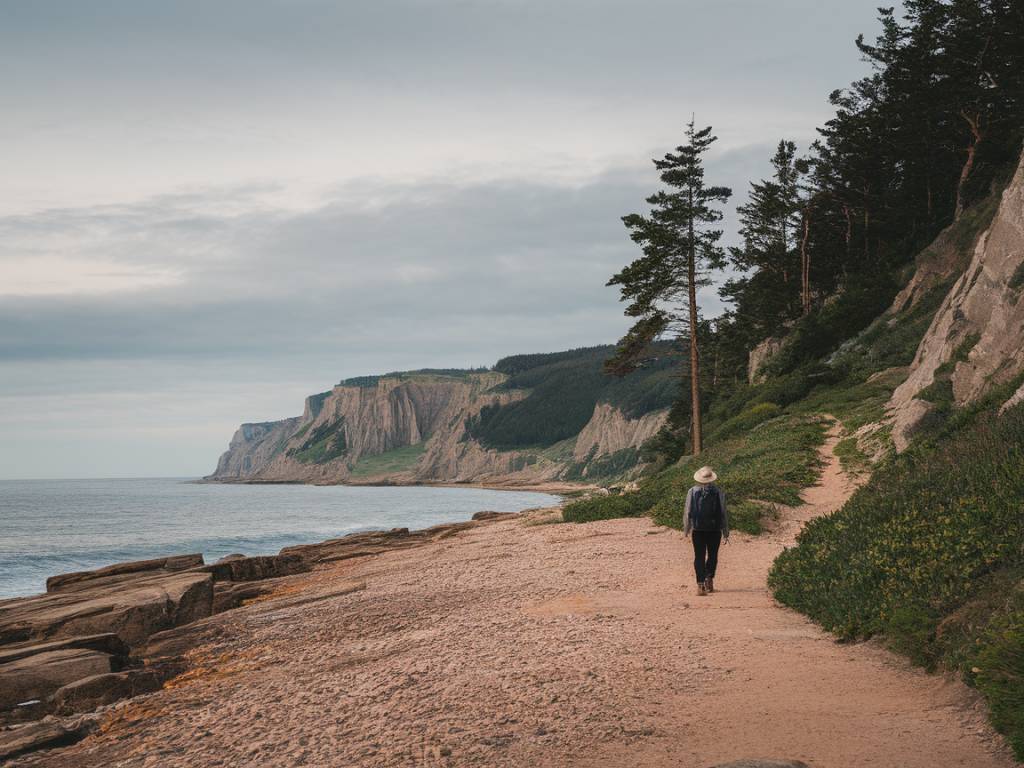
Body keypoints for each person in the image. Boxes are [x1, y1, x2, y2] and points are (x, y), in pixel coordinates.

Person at [683, 465, 729, 596]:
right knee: (713, 555)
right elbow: (723, 513)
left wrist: (686, 529)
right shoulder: (719, 492)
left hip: (698, 529)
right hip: (715, 530)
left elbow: (687, 511)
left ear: (698, 478)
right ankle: (709, 578)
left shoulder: (692, 491)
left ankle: (700, 584)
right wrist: (726, 531)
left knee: (699, 556)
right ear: (712, 478)